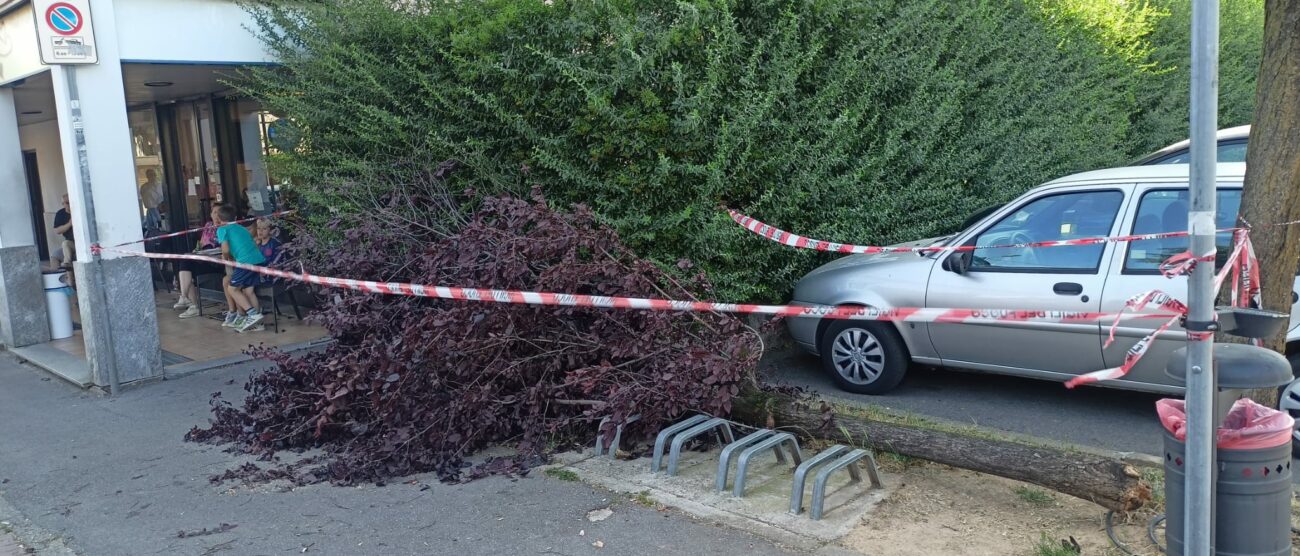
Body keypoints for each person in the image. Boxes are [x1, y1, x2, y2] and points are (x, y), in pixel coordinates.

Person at [214, 205, 266, 333]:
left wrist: (227, 257)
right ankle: (259, 324)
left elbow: (225, 249)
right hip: (258, 259)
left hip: (245, 262)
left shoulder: (222, 229)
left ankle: (253, 314)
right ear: (235, 218)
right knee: (249, 291)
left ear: (219, 218)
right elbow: (251, 243)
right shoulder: (241, 228)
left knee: (232, 289)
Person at [174, 221, 219, 319]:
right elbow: (201, 244)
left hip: (219, 263)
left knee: (188, 269)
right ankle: (188, 301)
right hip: (205, 259)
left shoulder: (226, 227)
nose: (216, 214)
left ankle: (186, 299)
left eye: (217, 211)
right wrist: (198, 251)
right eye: (214, 211)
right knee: (186, 264)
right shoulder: (208, 226)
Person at [50, 194, 75, 268]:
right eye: (67, 203)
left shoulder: (78, 211)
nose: (69, 204)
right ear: (63, 204)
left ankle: (67, 263)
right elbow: (57, 231)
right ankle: (58, 276)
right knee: (55, 256)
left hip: (81, 244)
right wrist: (69, 224)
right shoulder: (60, 213)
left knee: (65, 244)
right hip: (70, 244)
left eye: (70, 202)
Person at [139, 169, 165, 235]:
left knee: (162, 228)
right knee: (152, 230)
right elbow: (146, 200)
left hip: (162, 211)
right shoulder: (144, 187)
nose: (152, 176)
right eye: (150, 175)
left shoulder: (161, 185)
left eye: (154, 174)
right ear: (147, 176)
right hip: (152, 211)